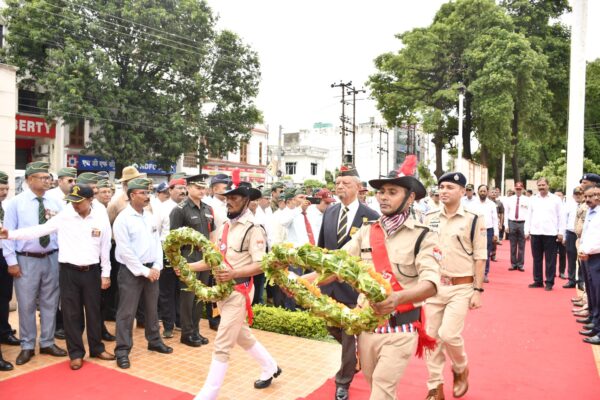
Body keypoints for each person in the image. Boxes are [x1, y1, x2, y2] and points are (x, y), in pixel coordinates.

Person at [334, 164, 440, 400]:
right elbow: (336, 264)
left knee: (381, 391)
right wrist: (299, 282)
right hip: (366, 329)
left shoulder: (423, 235)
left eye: (392, 192)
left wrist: (398, 298)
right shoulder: (367, 231)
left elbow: (431, 284)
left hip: (399, 330)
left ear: (410, 198)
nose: (383, 197)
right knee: (377, 388)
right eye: (381, 192)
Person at [1, 184, 115, 370]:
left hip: (92, 272)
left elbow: (105, 249)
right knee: (71, 314)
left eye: (79, 202)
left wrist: (106, 274)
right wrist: (10, 235)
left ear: (90, 200)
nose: (75, 205)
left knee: (94, 312)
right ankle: (76, 354)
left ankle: (97, 348)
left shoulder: (100, 218)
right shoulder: (65, 216)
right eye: (72, 201)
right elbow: (38, 230)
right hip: (68, 272)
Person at [188, 182, 281, 400]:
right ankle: (270, 366)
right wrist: (186, 267)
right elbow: (214, 259)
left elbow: (262, 264)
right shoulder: (224, 227)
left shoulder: (254, 228)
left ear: (248, 201)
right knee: (243, 336)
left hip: (239, 291)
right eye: (227, 197)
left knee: (222, 344)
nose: (229, 201)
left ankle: (209, 394)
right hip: (222, 291)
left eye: (235, 198)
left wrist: (233, 273)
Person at [317, 165, 379, 400]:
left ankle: (343, 381)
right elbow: (323, 247)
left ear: (358, 187)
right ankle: (354, 358)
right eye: (338, 183)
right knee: (332, 327)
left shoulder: (370, 216)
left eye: (346, 183)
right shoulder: (330, 212)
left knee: (347, 334)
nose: (340, 186)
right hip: (330, 285)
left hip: (354, 289)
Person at [424, 172, 487, 400]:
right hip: (434, 287)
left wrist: (478, 291)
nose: (444, 191)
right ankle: (435, 387)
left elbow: (480, 256)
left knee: (448, 334)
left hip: (461, 286)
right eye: (441, 187)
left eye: (450, 187)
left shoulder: (474, 218)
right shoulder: (429, 216)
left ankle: (460, 368)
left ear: (462, 191)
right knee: (431, 338)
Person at [2, 161, 67, 365]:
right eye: (42, 177)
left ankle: (47, 341)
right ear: (29, 180)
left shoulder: (57, 202)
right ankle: (27, 345)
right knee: (27, 304)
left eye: (48, 177)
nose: (47, 181)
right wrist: (11, 262)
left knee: (50, 302)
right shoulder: (15, 203)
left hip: (52, 257)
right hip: (26, 259)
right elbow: (7, 235)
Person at [113, 177, 173, 369]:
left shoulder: (149, 216)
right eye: (143, 193)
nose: (147, 196)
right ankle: (122, 350)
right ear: (132, 195)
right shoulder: (123, 219)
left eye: (148, 192)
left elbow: (157, 243)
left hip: (151, 269)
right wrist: (144, 271)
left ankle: (154, 340)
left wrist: (156, 266)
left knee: (152, 308)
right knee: (126, 312)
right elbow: (125, 251)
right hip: (131, 271)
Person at [169, 174, 215, 346]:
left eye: (204, 188)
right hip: (188, 257)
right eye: (198, 187)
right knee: (187, 297)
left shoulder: (208, 209)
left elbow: (212, 234)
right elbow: (173, 240)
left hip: (204, 258)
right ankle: (186, 333)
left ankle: (195, 330)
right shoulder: (179, 210)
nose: (202, 191)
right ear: (188, 188)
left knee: (200, 296)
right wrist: (177, 264)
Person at [158, 177, 187, 338]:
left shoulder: (187, 207)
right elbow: (156, 233)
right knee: (167, 290)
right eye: (179, 188)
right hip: (166, 252)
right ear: (170, 190)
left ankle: (179, 321)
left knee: (181, 289)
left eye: (184, 188)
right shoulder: (162, 209)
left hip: (183, 253)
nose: (182, 191)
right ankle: (168, 325)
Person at [525, 177, 565, 291]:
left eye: (543, 185)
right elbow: (529, 216)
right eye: (539, 185)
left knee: (550, 260)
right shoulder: (533, 199)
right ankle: (538, 280)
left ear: (548, 185)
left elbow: (561, 217)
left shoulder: (556, 199)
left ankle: (549, 282)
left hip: (550, 233)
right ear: (537, 186)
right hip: (536, 232)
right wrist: (526, 231)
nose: (541, 187)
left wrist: (560, 232)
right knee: (536, 258)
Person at [0, 171, 20, 353]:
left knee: (5, 295)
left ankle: (4, 331)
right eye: (1, 189)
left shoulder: (7, 206)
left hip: (4, 254)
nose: (4, 192)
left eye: (6, 188)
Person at [579, 183, 600, 345]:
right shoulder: (593, 212)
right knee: (593, 291)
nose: (590, 199)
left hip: (596, 256)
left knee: (598, 293)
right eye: (588, 196)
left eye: (592, 195)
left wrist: (588, 250)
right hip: (589, 256)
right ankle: (595, 322)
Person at [469, 185, 498, 283]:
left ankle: (484, 274)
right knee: (474, 251)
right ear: (477, 192)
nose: (482, 193)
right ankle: (474, 273)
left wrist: (496, 233)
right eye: (481, 191)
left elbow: (495, 219)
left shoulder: (491, 204)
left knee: (486, 252)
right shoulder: (473, 204)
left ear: (487, 192)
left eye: (484, 191)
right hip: (476, 230)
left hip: (488, 230)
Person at [504, 182, 528, 271]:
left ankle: (520, 264)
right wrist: (506, 225)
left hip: (523, 223)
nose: (518, 190)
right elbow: (506, 212)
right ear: (514, 189)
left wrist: (527, 229)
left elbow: (529, 214)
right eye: (517, 189)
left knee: (522, 245)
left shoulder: (527, 200)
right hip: (512, 222)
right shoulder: (509, 199)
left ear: (523, 189)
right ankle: (513, 264)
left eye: (520, 189)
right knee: (513, 245)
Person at [563, 187, 584, 289]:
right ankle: (571, 280)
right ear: (573, 195)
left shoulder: (586, 206)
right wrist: (563, 235)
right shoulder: (569, 206)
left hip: (583, 235)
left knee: (582, 258)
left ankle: (581, 280)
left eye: (580, 193)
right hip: (571, 233)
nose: (578, 195)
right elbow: (564, 220)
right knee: (571, 257)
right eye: (576, 194)